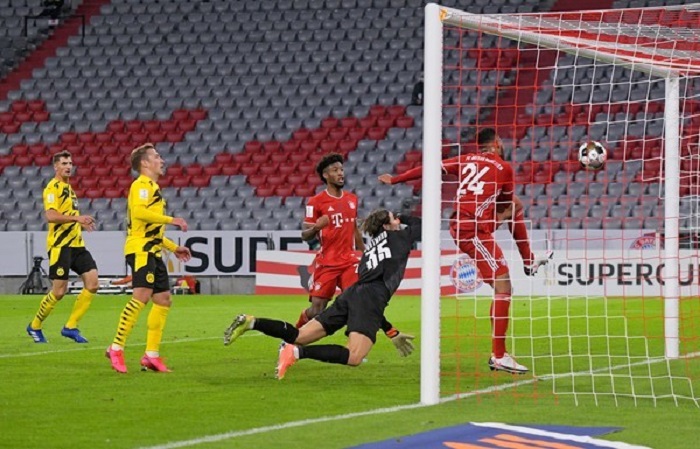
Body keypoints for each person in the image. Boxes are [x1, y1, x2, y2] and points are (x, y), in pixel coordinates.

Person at [378, 128, 551, 374]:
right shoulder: (504, 168)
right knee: (503, 285)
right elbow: (505, 203)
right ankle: (499, 356)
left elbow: (430, 168)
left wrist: (396, 179)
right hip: (472, 229)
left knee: (515, 212)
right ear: (497, 142)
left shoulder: (465, 159)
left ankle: (529, 261)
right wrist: (498, 213)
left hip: (463, 224)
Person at [223, 209, 420, 380]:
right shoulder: (399, 237)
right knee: (354, 356)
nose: (399, 222)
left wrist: (390, 331)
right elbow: (421, 225)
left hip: (352, 293)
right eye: (395, 219)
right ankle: (296, 353)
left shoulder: (369, 251)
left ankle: (252, 322)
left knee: (299, 335)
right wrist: (403, 216)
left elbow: (366, 301)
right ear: (386, 226)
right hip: (369, 296)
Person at [106, 143, 191, 374]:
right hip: (141, 249)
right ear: (145, 163)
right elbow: (140, 213)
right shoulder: (141, 185)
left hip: (153, 249)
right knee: (141, 297)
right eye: (156, 157)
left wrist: (173, 247)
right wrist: (172, 220)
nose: (161, 160)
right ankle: (116, 348)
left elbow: (153, 230)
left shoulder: (153, 187)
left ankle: (151, 355)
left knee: (163, 299)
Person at [26, 150, 98, 344]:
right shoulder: (52, 188)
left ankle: (70, 327)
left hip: (77, 244)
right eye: (64, 163)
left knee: (93, 283)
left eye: (70, 163)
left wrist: (80, 223)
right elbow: (51, 216)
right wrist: (77, 218)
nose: (68, 166)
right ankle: (35, 325)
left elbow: (68, 216)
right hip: (60, 245)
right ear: (55, 166)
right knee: (59, 291)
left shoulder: (69, 189)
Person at [297, 153, 365, 328]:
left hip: (349, 260)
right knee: (317, 309)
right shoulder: (316, 202)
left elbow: (354, 229)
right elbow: (305, 235)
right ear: (326, 175)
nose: (340, 173)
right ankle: (294, 335)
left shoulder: (352, 199)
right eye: (335, 170)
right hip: (328, 262)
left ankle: (355, 342)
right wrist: (316, 228)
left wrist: (365, 253)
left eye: (341, 169)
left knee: (357, 301)